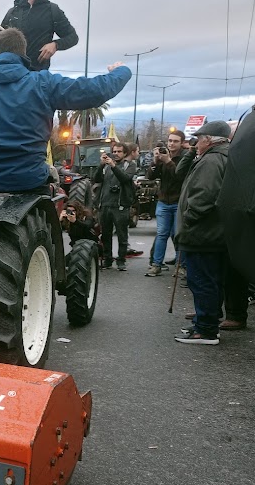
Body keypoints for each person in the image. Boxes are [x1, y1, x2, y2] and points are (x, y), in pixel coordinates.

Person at [0, 28, 131, 194]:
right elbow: (93, 91)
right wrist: (121, 72)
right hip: (31, 183)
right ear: (21, 53)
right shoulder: (43, 84)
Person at [174, 121, 231, 345]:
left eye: (199, 139)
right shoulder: (218, 157)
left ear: (209, 139)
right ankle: (205, 323)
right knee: (209, 280)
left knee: (202, 281)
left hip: (202, 233)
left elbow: (204, 194)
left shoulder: (213, 160)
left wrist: (188, 218)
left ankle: (205, 330)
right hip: (210, 232)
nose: (195, 143)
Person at [145, 130, 187, 276]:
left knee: (178, 235)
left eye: (175, 141)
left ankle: (180, 265)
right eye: (169, 141)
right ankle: (156, 264)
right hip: (163, 201)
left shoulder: (184, 157)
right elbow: (150, 176)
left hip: (178, 202)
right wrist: (156, 161)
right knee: (162, 234)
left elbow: (179, 177)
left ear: (182, 143)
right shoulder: (162, 158)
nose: (171, 144)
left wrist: (168, 161)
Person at [95, 142, 135, 271]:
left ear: (125, 153)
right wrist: (101, 165)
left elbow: (124, 178)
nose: (116, 154)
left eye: (119, 152)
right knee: (106, 235)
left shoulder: (130, 165)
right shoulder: (106, 166)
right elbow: (96, 179)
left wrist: (113, 166)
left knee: (122, 235)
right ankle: (107, 259)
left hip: (120, 205)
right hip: (105, 204)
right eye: (114, 151)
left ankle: (121, 260)